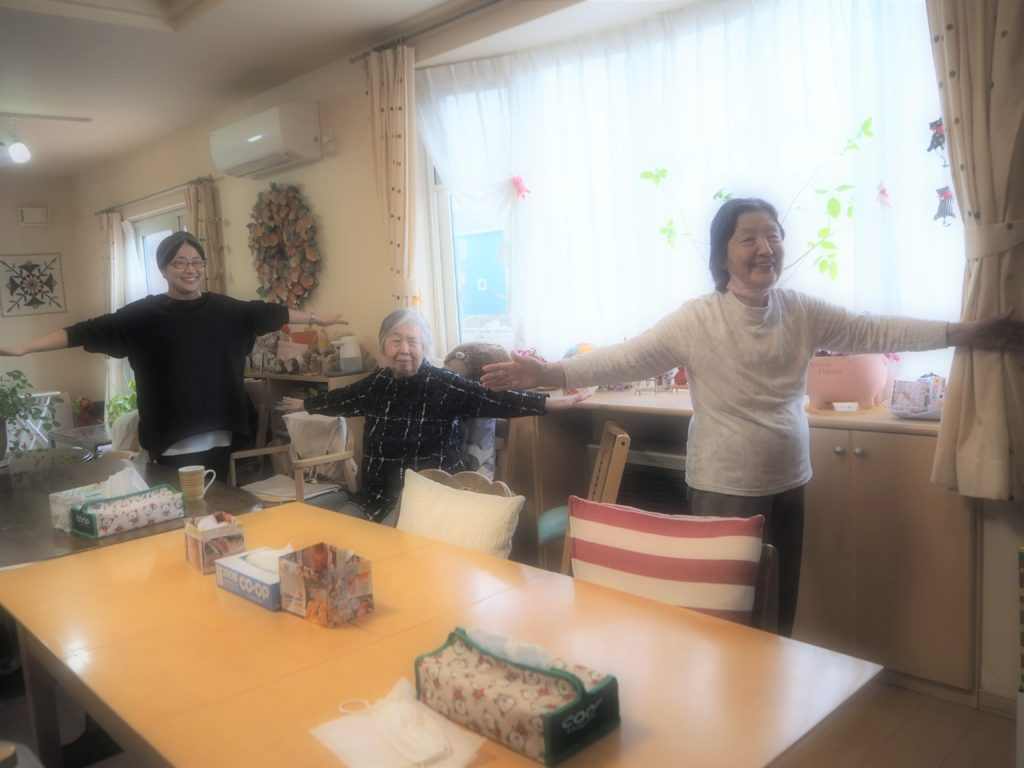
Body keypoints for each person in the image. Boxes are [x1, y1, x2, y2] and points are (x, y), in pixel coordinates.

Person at [482, 197, 1024, 636]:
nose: (766, 247)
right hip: (725, 484)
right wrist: (548, 372)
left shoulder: (800, 311)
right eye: (748, 238)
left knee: (778, 603)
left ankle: (774, 707)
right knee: (725, 612)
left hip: (790, 477)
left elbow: (874, 329)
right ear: (723, 255)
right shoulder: (698, 319)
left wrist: (965, 333)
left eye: (774, 235)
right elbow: (627, 358)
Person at [0, 230, 346, 479]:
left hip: (220, 428)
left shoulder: (228, 310)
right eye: (179, 263)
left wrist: (317, 318)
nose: (189, 269)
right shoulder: (141, 316)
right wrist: (25, 347)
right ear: (164, 269)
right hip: (171, 433)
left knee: (218, 507)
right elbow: (82, 332)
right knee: (178, 513)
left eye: (196, 262)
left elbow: (272, 313)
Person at [299, 308, 590, 525]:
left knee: (385, 546)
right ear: (383, 346)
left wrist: (550, 403)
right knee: (339, 534)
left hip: (430, 497)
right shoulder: (376, 383)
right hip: (375, 495)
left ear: (425, 347)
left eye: (412, 342)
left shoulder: (443, 383)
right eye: (395, 341)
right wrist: (304, 403)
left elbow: (492, 398)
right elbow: (341, 399)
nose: (404, 350)